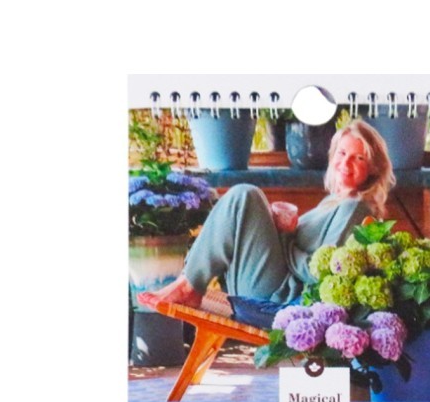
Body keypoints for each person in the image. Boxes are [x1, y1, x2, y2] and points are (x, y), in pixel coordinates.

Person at [137, 119, 396, 310]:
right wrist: (274, 227)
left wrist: (285, 236)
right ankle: (188, 283)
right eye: (342, 153)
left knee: (246, 195)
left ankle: (188, 286)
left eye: (359, 158)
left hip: (280, 299)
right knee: (243, 203)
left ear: (374, 168)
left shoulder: (354, 207)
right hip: (264, 286)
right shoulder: (333, 202)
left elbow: (323, 273)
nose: (346, 163)